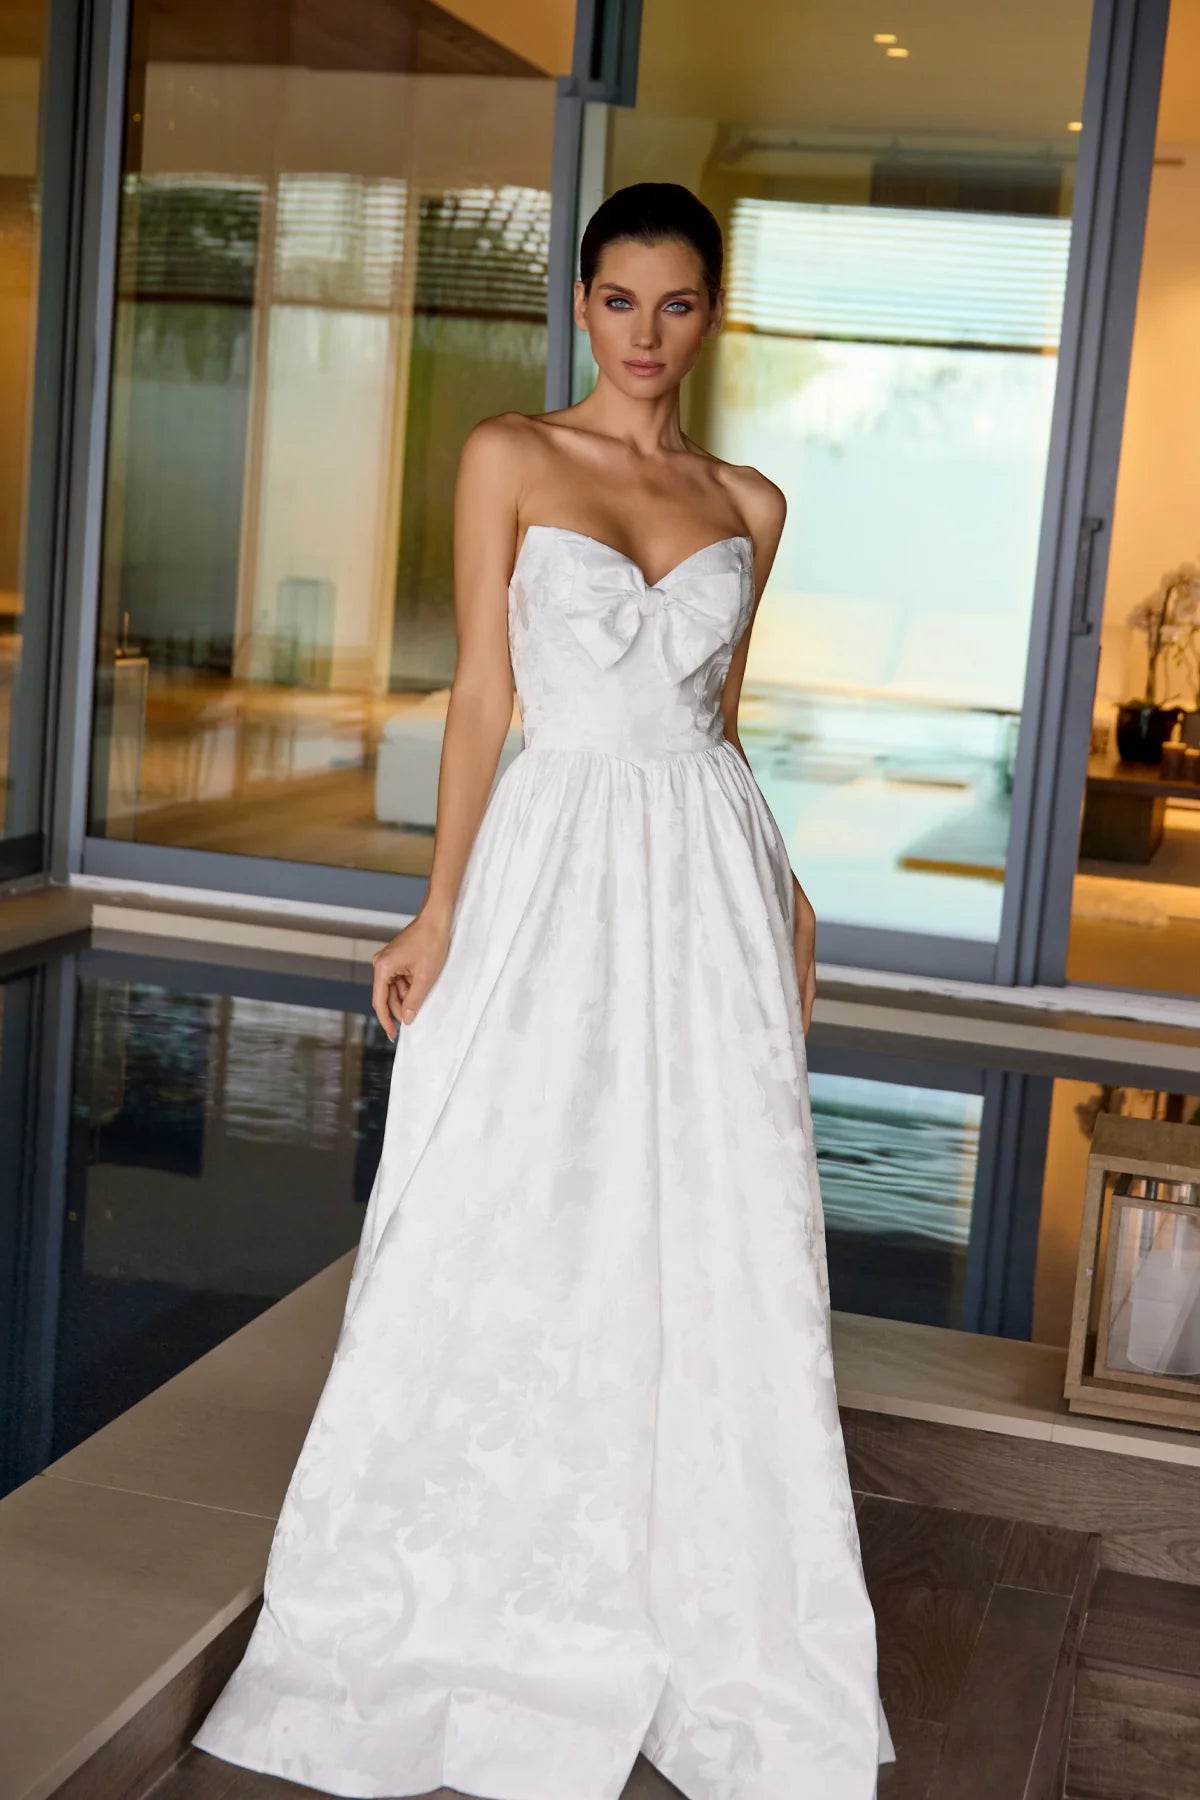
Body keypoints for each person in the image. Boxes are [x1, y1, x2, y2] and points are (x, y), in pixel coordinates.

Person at [191, 181, 896, 1799]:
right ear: (580, 303)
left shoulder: (753, 502)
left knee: (704, 1212)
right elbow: (480, 699)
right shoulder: (508, 455)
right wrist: (436, 907)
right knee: (503, 1188)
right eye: (620, 300)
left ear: (711, 314)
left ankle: (695, 1585)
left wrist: (787, 888)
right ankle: (478, 1578)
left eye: (678, 303)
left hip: (708, 882)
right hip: (551, 858)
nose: (647, 333)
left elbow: (720, 725)